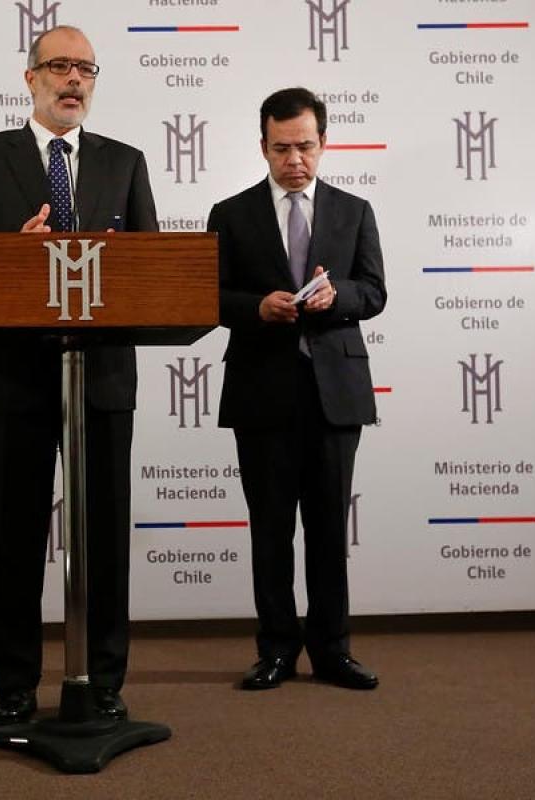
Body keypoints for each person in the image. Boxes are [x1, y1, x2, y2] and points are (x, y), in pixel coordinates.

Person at [0, 25, 158, 726]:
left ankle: (104, 680)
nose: (74, 80)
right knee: (14, 535)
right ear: (30, 77)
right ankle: (12, 686)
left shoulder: (125, 162)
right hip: (16, 377)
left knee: (105, 537)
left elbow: (152, 272)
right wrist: (13, 254)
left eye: (86, 69)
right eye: (60, 66)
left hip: (102, 376)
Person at [207, 87, 387, 691]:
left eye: (305, 146)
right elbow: (210, 297)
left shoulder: (354, 210)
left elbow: (374, 291)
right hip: (262, 392)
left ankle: (332, 651)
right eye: (282, 148)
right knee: (270, 530)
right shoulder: (230, 214)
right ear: (263, 147)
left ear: (324, 143)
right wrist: (257, 307)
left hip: (335, 392)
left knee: (330, 529)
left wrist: (339, 297)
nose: (294, 160)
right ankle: (277, 650)